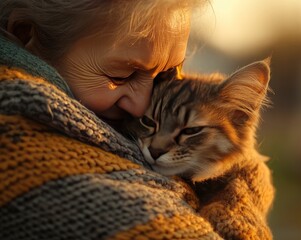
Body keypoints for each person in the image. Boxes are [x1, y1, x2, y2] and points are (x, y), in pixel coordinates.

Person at [0, 1, 273, 239]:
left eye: (168, 73)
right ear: (25, 35)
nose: (143, 106)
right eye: (120, 76)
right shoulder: (22, 139)